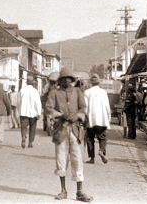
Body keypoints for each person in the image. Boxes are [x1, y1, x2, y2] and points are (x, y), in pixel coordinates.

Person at [46, 67, 92, 202]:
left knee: (77, 159)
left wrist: (77, 116)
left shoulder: (78, 92)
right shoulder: (54, 93)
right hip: (60, 130)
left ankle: (79, 191)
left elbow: (83, 107)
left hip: (75, 130)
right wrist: (60, 115)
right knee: (61, 159)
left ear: (72, 80)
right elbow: (49, 108)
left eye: (69, 78)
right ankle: (63, 190)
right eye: (64, 78)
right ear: (60, 80)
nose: (67, 81)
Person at [84, 73, 111, 164]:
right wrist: (108, 117)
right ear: (99, 83)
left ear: (90, 83)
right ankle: (101, 150)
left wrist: (85, 118)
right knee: (102, 137)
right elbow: (107, 106)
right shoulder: (103, 92)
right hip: (102, 119)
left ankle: (92, 158)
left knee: (90, 138)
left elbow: (85, 107)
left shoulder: (87, 92)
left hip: (91, 119)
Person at [18, 76, 42, 148]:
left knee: (24, 127)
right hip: (33, 113)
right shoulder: (35, 91)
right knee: (32, 127)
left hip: (23, 112)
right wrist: (39, 112)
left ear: (27, 83)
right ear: (33, 83)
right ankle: (30, 142)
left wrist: (19, 110)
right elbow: (37, 102)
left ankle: (23, 137)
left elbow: (19, 101)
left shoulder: (22, 90)